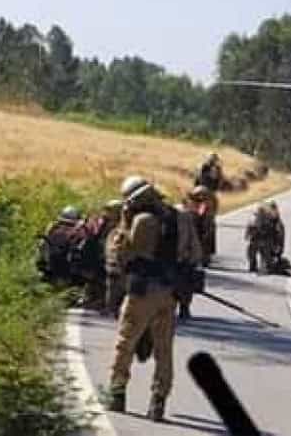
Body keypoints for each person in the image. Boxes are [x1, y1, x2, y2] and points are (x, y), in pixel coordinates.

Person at [108, 176, 198, 421]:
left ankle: (117, 393)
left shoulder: (141, 221)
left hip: (142, 291)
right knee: (164, 350)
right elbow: (195, 255)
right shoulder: (181, 218)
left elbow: (121, 254)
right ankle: (158, 402)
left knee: (125, 342)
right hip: (170, 293)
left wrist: (123, 224)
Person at [245, 201, 287, 274]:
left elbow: (280, 236)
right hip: (256, 240)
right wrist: (249, 234)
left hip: (268, 242)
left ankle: (269, 264)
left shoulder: (277, 222)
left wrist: (278, 249)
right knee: (251, 249)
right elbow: (250, 228)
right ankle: (253, 264)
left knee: (268, 265)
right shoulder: (255, 218)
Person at [102, 199, 128, 316]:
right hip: (111, 263)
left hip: (120, 264)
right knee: (112, 287)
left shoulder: (123, 227)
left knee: (119, 288)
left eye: (110, 211)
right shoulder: (107, 226)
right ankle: (110, 307)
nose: (107, 214)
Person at [186, 184, 218, 262]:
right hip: (199, 214)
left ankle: (205, 255)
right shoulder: (195, 198)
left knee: (207, 233)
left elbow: (211, 211)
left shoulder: (209, 199)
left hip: (207, 215)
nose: (201, 197)